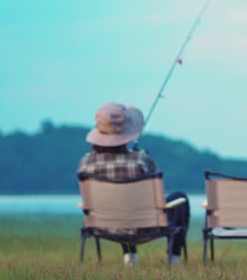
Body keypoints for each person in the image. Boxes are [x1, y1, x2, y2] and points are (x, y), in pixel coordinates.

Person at [78, 102, 190, 266]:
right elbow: (154, 192)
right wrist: (139, 155)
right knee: (180, 197)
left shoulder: (86, 163)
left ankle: (130, 257)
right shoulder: (140, 160)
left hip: (102, 227)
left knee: (119, 203)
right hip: (145, 226)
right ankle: (173, 259)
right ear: (126, 133)